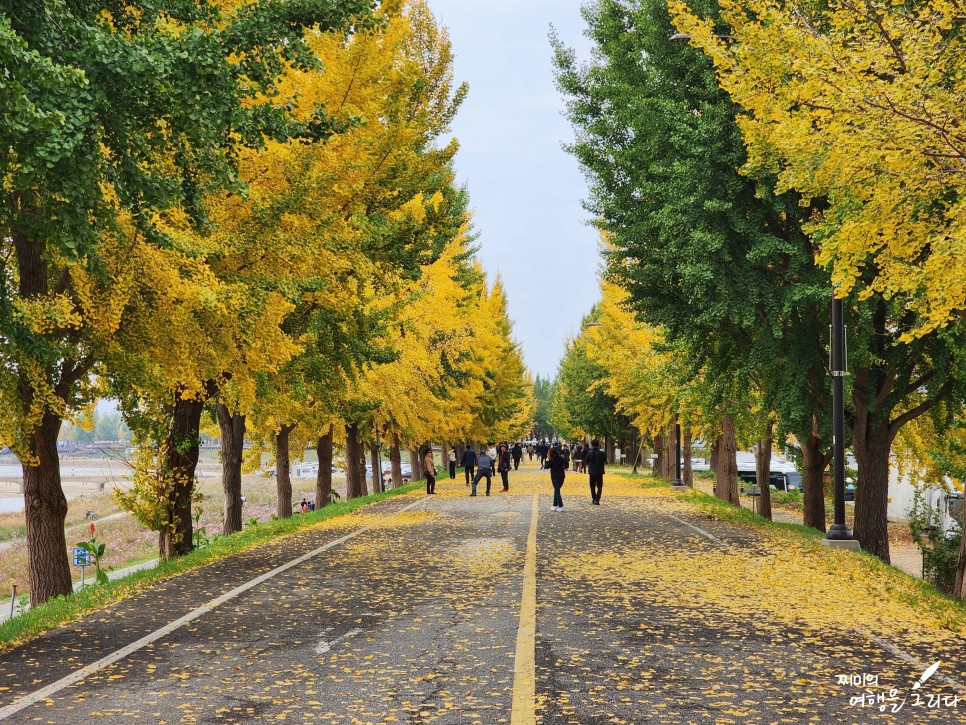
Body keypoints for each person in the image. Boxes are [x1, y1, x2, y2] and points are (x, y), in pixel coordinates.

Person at [585, 438, 606, 505]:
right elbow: (605, 460)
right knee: (599, 486)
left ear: (592, 445)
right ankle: (597, 499)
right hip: (600, 471)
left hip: (592, 472)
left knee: (592, 486)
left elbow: (587, 461)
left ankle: (594, 498)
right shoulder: (602, 453)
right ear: (598, 445)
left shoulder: (590, 453)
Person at [546, 445, 566, 511]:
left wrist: (547, 459)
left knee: (557, 491)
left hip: (555, 477)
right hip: (562, 477)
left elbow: (547, 466)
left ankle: (561, 505)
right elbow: (566, 465)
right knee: (556, 490)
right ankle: (555, 505)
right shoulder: (561, 458)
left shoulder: (551, 460)